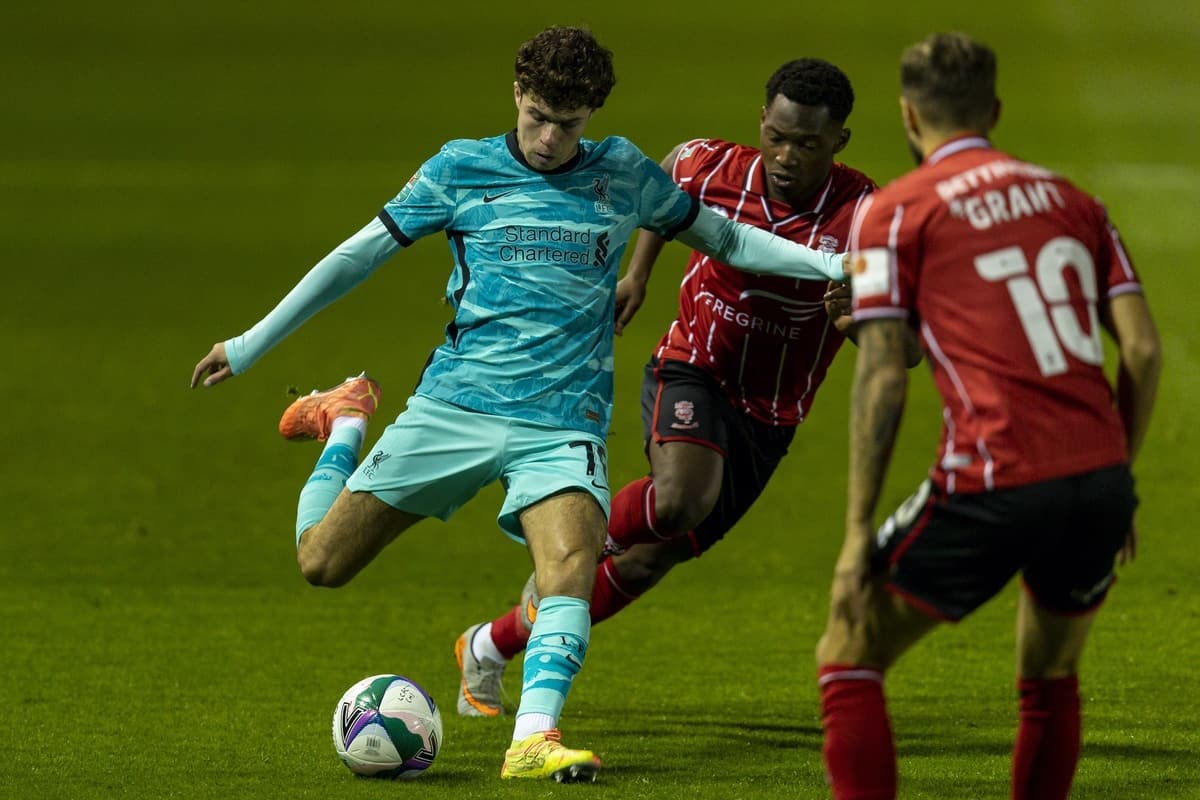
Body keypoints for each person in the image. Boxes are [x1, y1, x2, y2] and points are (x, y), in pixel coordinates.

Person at [189, 26, 847, 783]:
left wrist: (832, 262)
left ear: (592, 111)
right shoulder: (460, 169)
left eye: (566, 124)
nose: (546, 137)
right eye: (536, 115)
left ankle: (532, 737)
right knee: (321, 563)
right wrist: (247, 345)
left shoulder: (624, 174)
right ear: (516, 95)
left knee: (569, 566)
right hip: (454, 408)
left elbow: (729, 239)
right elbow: (353, 258)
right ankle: (344, 420)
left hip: (561, 425)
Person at [454, 59, 918, 719]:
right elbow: (662, 178)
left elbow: (912, 353)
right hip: (693, 366)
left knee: (648, 562)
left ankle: (487, 647)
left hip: (771, 416)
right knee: (677, 498)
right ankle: (577, 540)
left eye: (807, 144)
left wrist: (854, 323)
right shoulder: (711, 167)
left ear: (838, 141)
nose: (786, 156)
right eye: (777, 136)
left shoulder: (869, 220)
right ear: (762, 120)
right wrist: (639, 274)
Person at [815, 32, 1160, 799]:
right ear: (994, 109)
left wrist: (852, 537)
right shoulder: (1075, 201)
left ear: (908, 115)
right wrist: (1116, 478)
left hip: (993, 476)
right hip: (1099, 480)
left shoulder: (894, 213)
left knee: (849, 648)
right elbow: (1140, 351)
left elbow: (882, 373)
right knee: (1050, 674)